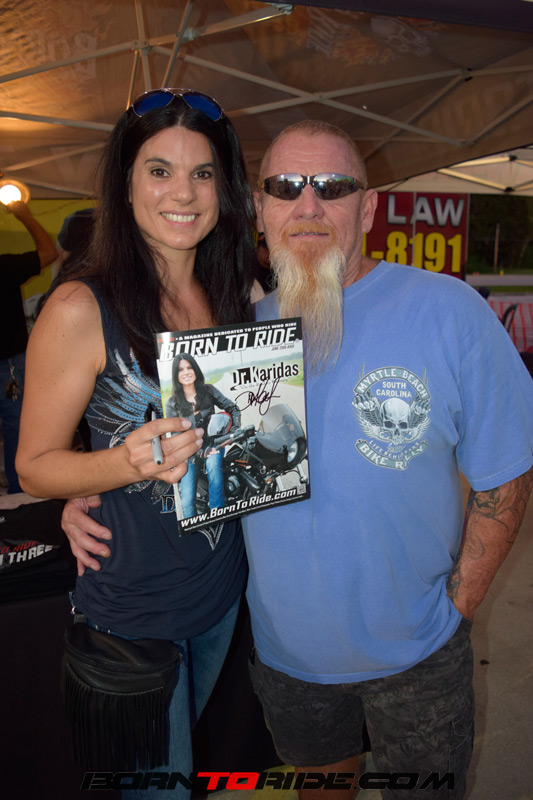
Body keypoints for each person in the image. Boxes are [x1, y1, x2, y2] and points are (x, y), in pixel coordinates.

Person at [60, 120, 533, 799]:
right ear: (260, 209)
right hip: (288, 660)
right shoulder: (234, 329)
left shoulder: (447, 310)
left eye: (332, 187)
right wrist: (87, 489)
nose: (308, 206)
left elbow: (506, 473)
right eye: (286, 187)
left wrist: (458, 605)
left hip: (420, 653)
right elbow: (162, 447)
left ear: (366, 208)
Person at [15, 88, 255, 797]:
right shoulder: (79, 306)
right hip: (135, 608)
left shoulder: (235, 293)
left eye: (203, 173)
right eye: (159, 170)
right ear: (124, 185)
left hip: (221, 589)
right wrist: (120, 464)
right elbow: (33, 468)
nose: (183, 192)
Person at [0, 199, 57, 493]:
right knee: (16, 427)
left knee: (17, 428)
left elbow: (48, 254)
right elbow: (49, 252)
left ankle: (18, 493)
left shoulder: (5, 266)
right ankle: (18, 494)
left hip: (10, 364)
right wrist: (24, 215)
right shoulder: (4, 266)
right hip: (10, 363)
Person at [165, 352, 240, 517]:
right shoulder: (171, 404)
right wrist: (200, 452)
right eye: (180, 370)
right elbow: (177, 439)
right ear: (175, 375)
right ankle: (194, 527)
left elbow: (232, 408)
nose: (186, 372)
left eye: (189, 367)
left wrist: (235, 429)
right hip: (189, 453)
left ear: (195, 370)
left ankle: (217, 515)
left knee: (214, 469)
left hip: (214, 444)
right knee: (186, 501)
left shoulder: (208, 390)